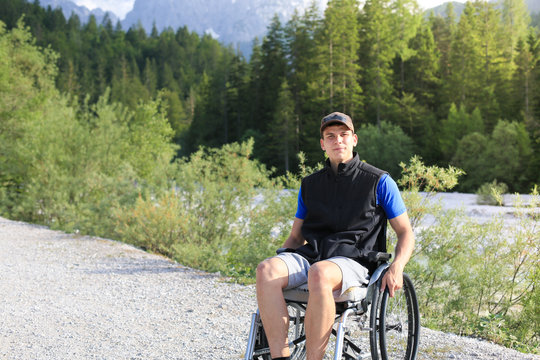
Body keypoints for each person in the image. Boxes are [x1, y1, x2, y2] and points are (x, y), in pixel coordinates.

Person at [255, 112, 415, 360]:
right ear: (322, 144)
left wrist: (397, 266)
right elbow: (296, 237)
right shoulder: (310, 184)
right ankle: (281, 356)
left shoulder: (379, 181)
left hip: (355, 259)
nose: (337, 140)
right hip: (314, 255)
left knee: (320, 273)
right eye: (330, 136)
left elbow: (405, 232)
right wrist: (280, 261)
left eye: (343, 135)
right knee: (266, 270)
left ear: (354, 139)